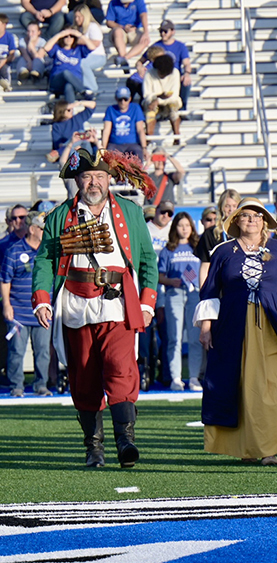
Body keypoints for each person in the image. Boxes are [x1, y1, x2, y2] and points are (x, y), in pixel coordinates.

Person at [31, 148, 158, 468]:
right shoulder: (60, 216)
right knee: (83, 376)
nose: (94, 183)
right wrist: (42, 299)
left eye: (100, 176)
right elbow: (45, 259)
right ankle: (94, 448)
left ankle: (125, 442)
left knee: (121, 368)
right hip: (75, 304)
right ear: (77, 180)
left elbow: (146, 261)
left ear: (109, 179)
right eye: (87, 177)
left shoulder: (129, 211)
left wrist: (147, 303)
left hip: (117, 303)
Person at [195, 199, 277, 465]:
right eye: (246, 216)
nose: (252, 220)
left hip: (273, 324)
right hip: (233, 325)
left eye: (258, 215)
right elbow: (209, 292)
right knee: (239, 384)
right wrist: (207, 328)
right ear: (236, 221)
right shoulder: (222, 251)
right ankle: (246, 446)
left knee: (272, 385)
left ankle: (268, 448)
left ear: (265, 220)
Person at [2, 211, 51, 397]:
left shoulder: (48, 251)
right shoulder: (13, 251)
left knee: (43, 352)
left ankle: (41, 385)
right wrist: (7, 305)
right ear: (32, 229)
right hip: (19, 313)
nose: (44, 232)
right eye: (41, 228)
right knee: (16, 351)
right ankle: (17, 386)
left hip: (43, 312)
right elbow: (5, 280)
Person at [157, 211, 201, 390]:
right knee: (174, 338)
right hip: (174, 294)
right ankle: (176, 378)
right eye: (181, 225)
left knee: (195, 338)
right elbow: (159, 276)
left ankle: (194, 377)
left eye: (187, 225)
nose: (184, 229)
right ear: (175, 228)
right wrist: (169, 281)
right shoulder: (169, 250)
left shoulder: (198, 247)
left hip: (195, 294)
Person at [196, 188, 240, 285]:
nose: (231, 210)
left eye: (234, 206)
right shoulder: (211, 233)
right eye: (227, 206)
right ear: (221, 207)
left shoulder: (244, 232)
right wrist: (204, 294)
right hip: (218, 286)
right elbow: (205, 266)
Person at [36, 27, 86, 103]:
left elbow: (93, 46)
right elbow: (46, 47)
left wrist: (79, 34)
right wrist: (59, 35)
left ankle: (70, 111)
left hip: (74, 81)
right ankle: (83, 92)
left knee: (68, 86)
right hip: (56, 81)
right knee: (65, 72)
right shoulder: (57, 48)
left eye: (71, 36)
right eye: (66, 36)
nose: (69, 38)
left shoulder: (78, 49)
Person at [152, 18, 192, 109]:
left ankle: (182, 108)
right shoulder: (156, 46)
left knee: (186, 81)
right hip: (160, 76)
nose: (162, 34)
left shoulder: (180, 46)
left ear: (173, 31)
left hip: (175, 76)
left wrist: (187, 74)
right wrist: (141, 68)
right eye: (161, 31)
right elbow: (141, 61)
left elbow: (187, 63)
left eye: (165, 31)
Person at [142, 49, 181, 140]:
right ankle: (149, 137)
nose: (162, 75)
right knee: (150, 110)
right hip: (152, 102)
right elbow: (146, 95)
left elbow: (174, 95)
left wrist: (158, 100)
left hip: (168, 102)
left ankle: (177, 135)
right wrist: (157, 98)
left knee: (173, 108)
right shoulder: (149, 74)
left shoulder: (175, 73)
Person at [100, 85, 146, 159]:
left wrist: (144, 148)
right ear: (116, 99)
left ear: (130, 99)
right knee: (109, 158)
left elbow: (140, 129)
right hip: (115, 144)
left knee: (138, 153)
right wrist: (103, 148)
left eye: (125, 99)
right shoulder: (111, 109)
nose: (123, 102)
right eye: (120, 99)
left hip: (132, 144)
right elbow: (106, 130)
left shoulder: (136, 108)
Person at [72, 4, 104, 99]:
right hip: (84, 55)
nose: (77, 19)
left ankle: (93, 89)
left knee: (83, 64)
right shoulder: (77, 28)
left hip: (98, 56)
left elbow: (96, 43)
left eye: (79, 17)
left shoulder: (92, 26)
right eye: (76, 17)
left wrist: (78, 41)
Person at [105, 0, 148, 68]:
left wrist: (146, 32)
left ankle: (124, 58)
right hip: (120, 29)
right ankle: (123, 58)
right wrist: (123, 27)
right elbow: (109, 22)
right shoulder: (113, 2)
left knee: (145, 40)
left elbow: (143, 15)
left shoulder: (138, 1)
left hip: (134, 30)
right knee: (118, 32)